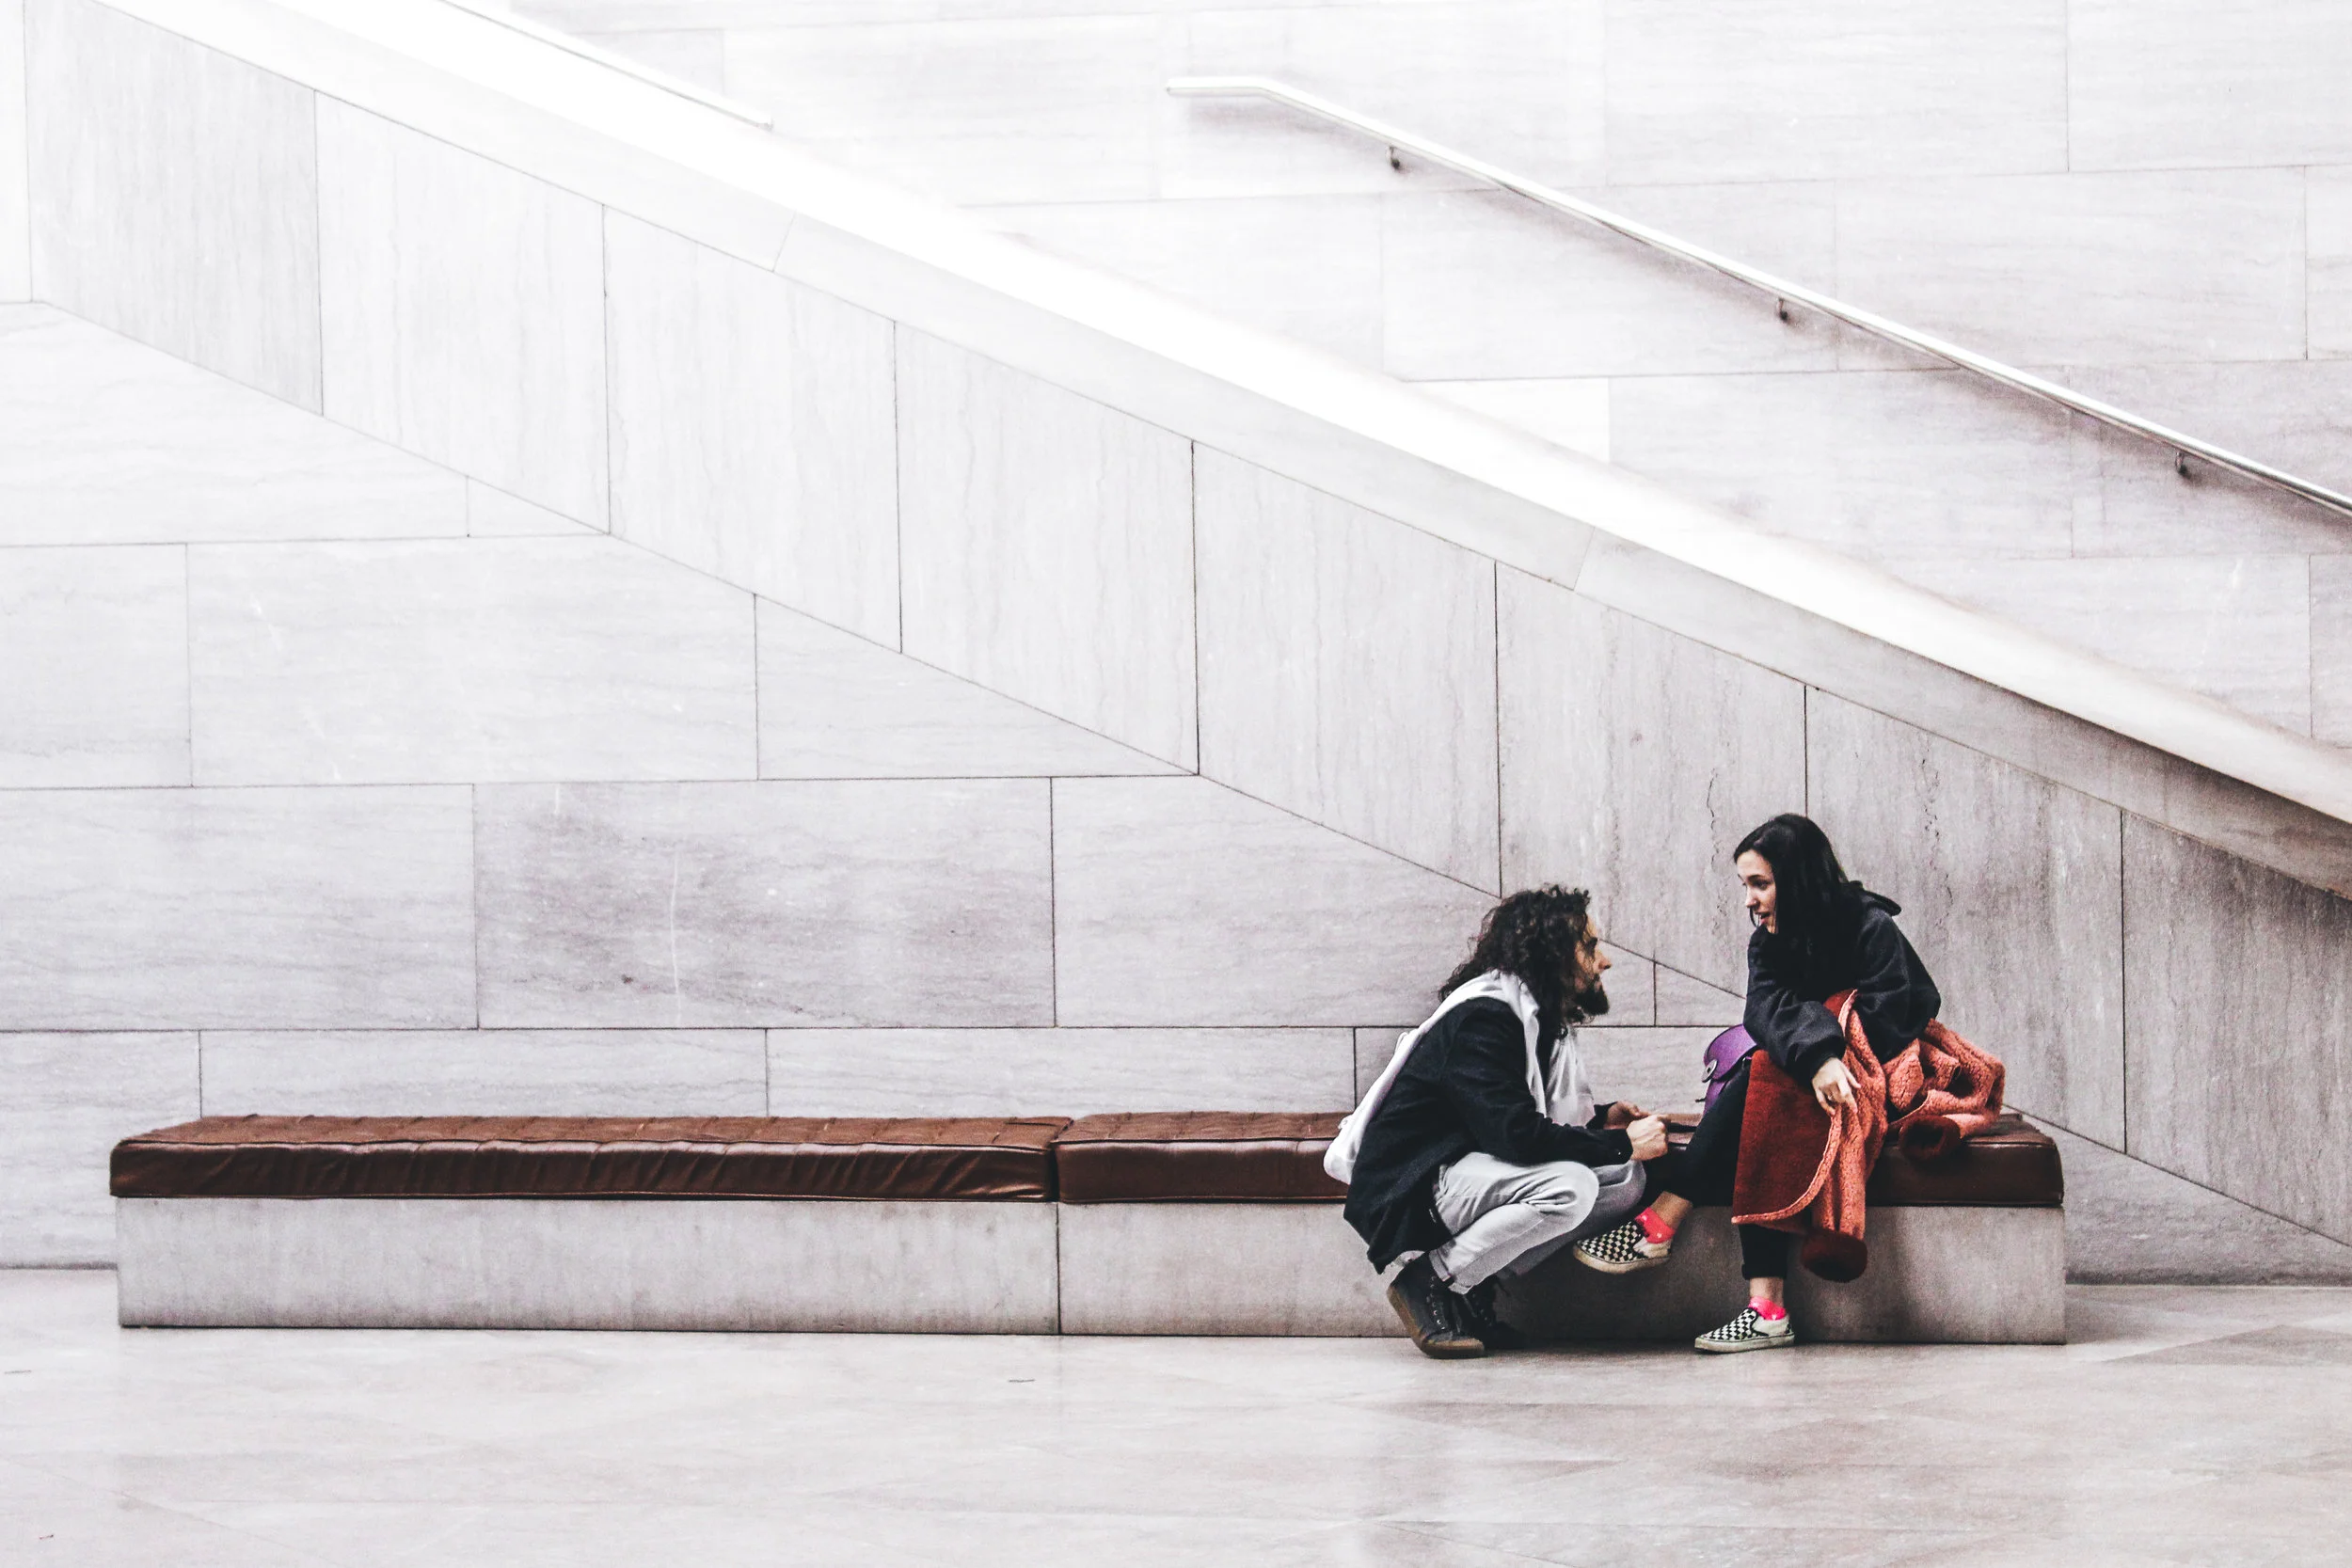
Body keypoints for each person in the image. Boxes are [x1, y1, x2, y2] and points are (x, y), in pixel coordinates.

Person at [1571, 814, 1939, 1354]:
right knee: (1768, 1076)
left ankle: (1677, 1230)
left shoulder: (1869, 926)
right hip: (1806, 1078)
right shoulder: (1768, 941)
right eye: (1745, 885)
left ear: (1798, 877)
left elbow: (1895, 1014)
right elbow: (1763, 1011)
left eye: (1760, 883)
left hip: (1879, 1074)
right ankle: (1762, 1310)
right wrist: (1815, 1058)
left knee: (1766, 1073)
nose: (1749, 900)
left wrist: (1824, 1049)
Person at [1328, 886, 1672, 1359]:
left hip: (1464, 1171)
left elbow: (1519, 1113)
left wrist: (1603, 1118)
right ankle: (1431, 1280)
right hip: (1417, 1185)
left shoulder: (1536, 1020)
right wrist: (1622, 1143)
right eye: (1590, 946)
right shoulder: (1485, 1017)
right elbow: (1514, 1135)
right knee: (1571, 1186)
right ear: (1553, 954)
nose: (1604, 961)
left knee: (1622, 1180)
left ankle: (1472, 1281)